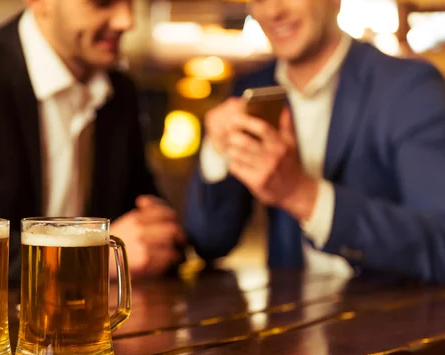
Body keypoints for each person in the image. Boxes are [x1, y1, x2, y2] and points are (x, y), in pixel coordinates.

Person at [0, 0, 186, 284]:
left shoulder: (121, 93)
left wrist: (157, 235)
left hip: (92, 328)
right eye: (102, 1)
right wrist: (87, 260)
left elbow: (152, 231)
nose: (127, 20)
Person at [185, 0, 445, 283]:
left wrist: (301, 194)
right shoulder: (249, 90)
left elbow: (440, 246)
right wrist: (215, 151)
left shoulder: (409, 87)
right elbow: (209, 242)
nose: (274, 11)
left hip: (392, 321)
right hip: (288, 320)